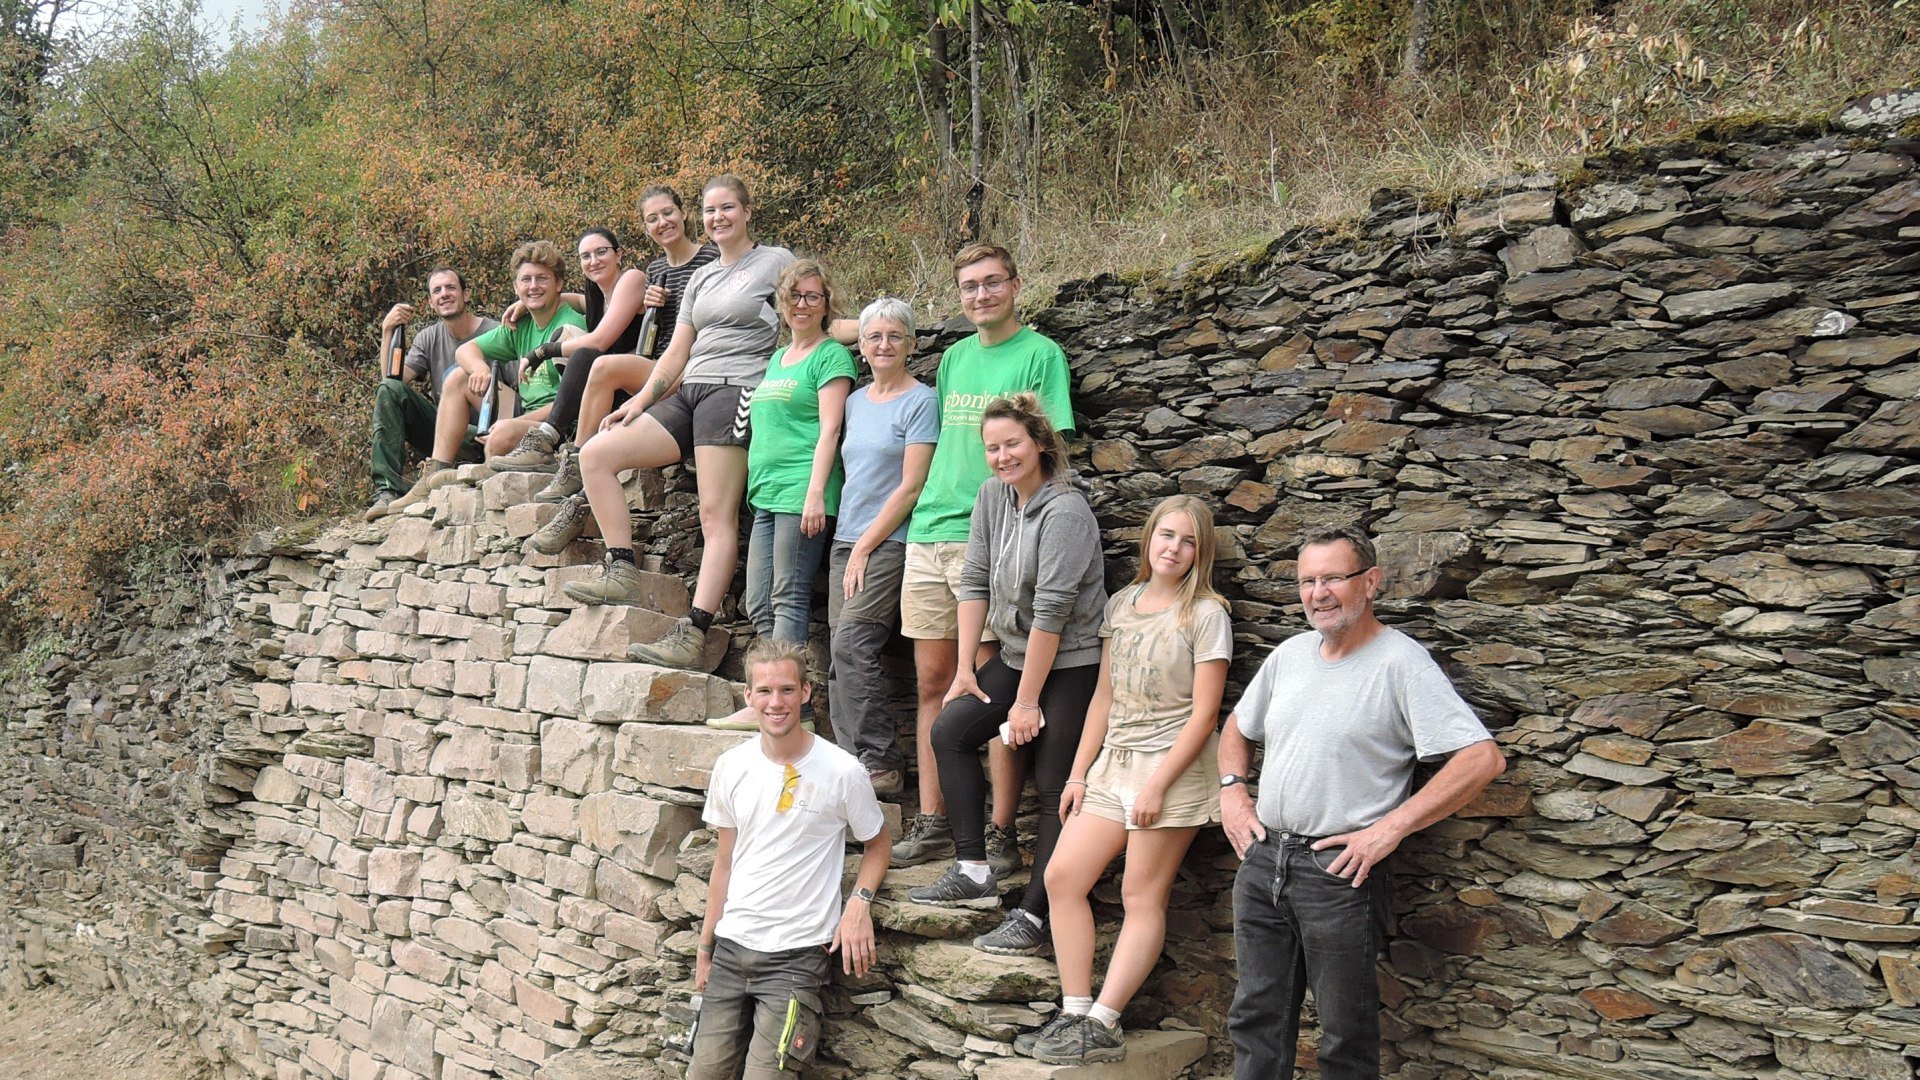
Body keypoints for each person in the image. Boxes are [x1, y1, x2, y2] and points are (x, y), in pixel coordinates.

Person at [1218, 524, 1506, 1080]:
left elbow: (1482, 759)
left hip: (1339, 870)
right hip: (1263, 859)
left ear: (1369, 582)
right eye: (1307, 581)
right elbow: (1236, 728)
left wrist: (1388, 829)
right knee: (1255, 1019)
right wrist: (1233, 793)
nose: (1317, 593)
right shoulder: (1290, 655)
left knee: (1344, 1036)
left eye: (1332, 578)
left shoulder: (1401, 663)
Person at [561, 176, 849, 674]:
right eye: (710, 210)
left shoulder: (774, 261)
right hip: (689, 388)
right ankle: (622, 566)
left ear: (747, 210)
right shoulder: (701, 276)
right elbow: (677, 350)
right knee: (597, 453)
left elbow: (814, 312)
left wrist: (875, 327)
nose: (718, 218)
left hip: (735, 390)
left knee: (715, 516)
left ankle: (694, 631)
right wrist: (640, 401)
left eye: (728, 208)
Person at [1018, 495, 1232, 1065]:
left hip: (1173, 768)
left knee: (1141, 893)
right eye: (1167, 535)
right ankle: (1074, 1009)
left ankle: (1105, 1023)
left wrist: (1159, 785)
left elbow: (1205, 714)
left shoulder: (1207, 614)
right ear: (1149, 539)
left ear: (1200, 551)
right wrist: (1078, 775)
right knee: (1063, 878)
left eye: (1188, 541)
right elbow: (1103, 700)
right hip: (1113, 763)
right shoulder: (1122, 603)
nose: (1174, 549)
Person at [891, 242, 1075, 879]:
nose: (980, 295)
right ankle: (935, 820)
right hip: (932, 526)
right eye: (968, 286)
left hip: (994, 532)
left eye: (992, 283)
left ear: (1016, 285)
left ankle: (998, 832)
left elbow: (1050, 442)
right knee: (934, 685)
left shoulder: (1040, 355)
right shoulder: (955, 359)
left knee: (989, 687)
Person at [906, 394, 1106, 960]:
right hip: (1016, 655)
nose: (1001, 456)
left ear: (1039, 442)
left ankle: (1035, 915)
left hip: (1071, 662)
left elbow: (1053, 611)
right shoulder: (993, 497)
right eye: (992, 447)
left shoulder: (1066, 512)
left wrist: (1026, 703)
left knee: (1053, 790)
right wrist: (967, 669)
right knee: (950, 731)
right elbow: (973, 581)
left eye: (1012, 444)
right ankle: (972, 868)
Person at [690, 638, 888, 1080]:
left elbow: (878, 843)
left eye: (785, 690)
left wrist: (859, 902)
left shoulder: (843, 771)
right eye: (764, 691)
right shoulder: (731, 766)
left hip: (795, 960)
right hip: (731, 951)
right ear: (748, 697)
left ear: (805, 693)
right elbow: (725, 861)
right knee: (703, 1073)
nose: (775, 702)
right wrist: (706, 948)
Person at [381, 241, 587, 515]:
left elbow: (576, 400)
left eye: (542, 279)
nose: (533, 286)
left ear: (559, 283)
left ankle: (476, 478)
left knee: (500, 435)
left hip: (562, 425)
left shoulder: (572, 324)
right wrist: (480, 368)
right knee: (457, 378)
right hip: (523, 417)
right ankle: (433, 475)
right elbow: (466, 350)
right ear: (516, 288)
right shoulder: (519, 326)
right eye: (526, 280)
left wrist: (516, 422)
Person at [826, 298, 937, 798]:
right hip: (846, 536)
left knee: (854, 643)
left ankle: (883, 763)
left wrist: (866, 546)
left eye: (894, 336)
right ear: (862, 346)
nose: (883, 345)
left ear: (911, 344)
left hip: (887, 541)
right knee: (838, 653)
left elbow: (911, 486)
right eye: (873, 337)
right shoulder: (853, 401)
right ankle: (851, 762)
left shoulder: (921, 402)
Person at [740, 258, 856, 648]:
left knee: (788, 599)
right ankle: (771, 692)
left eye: (812, 296)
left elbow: (831, 429)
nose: (802, 304)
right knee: (758, 603)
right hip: (767, 492)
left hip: (802, 489)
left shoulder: (831, 357)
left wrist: (815, 493)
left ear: (826, 304)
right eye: (794, 296)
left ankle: (787, 702)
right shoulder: (778, 358)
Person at [487, 227, 648, 485]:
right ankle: (564, 449)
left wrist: (541, 352)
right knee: (583, 351)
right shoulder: (596, 293)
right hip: (611, 382)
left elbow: (600, 341)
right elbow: (569, 298)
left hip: (643, 375)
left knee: (585, 352)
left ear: (619, 255)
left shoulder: (632, 279)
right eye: (586, 256)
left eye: (601, 252)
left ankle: (551, 438)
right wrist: (524, 302)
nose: (594, 261)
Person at [366, 267, 498, 519]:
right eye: (437, 290)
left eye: (450, 288)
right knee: (390, 390)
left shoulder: (494, 332)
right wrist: (387, 331)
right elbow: (392, 384)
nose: (444, 294)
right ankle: (387, 491)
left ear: (465, 294)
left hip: (487, 437)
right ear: (430, 302)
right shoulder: (429, 338)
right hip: (444, 440)